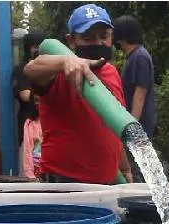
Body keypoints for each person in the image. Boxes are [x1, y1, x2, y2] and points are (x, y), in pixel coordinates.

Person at [24, 4, 133, 184]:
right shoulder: (58, 73)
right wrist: (64, 62)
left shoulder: (112, 72)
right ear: (72, 41)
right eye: (88, 38)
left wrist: (125, 167)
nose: (98, 43)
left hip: (106, 185)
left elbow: (112, 124)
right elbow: (31, 69)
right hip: (64, 186)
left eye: (104, 36)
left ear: (112, 36)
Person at [113, 15, 156, 138]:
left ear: (122, 37)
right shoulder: (133, 56)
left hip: (140, 125)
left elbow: (140, 95)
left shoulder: (140, 57)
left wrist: (132, 130)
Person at [12, 31, 47, 174]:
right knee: (29, 170)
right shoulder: (21, 70)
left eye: (41, 46)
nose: (38, 50)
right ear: (27, 48)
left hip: (49, 127)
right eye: (34, 46)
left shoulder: (52, 69)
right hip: (29, 126)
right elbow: (26, 96)